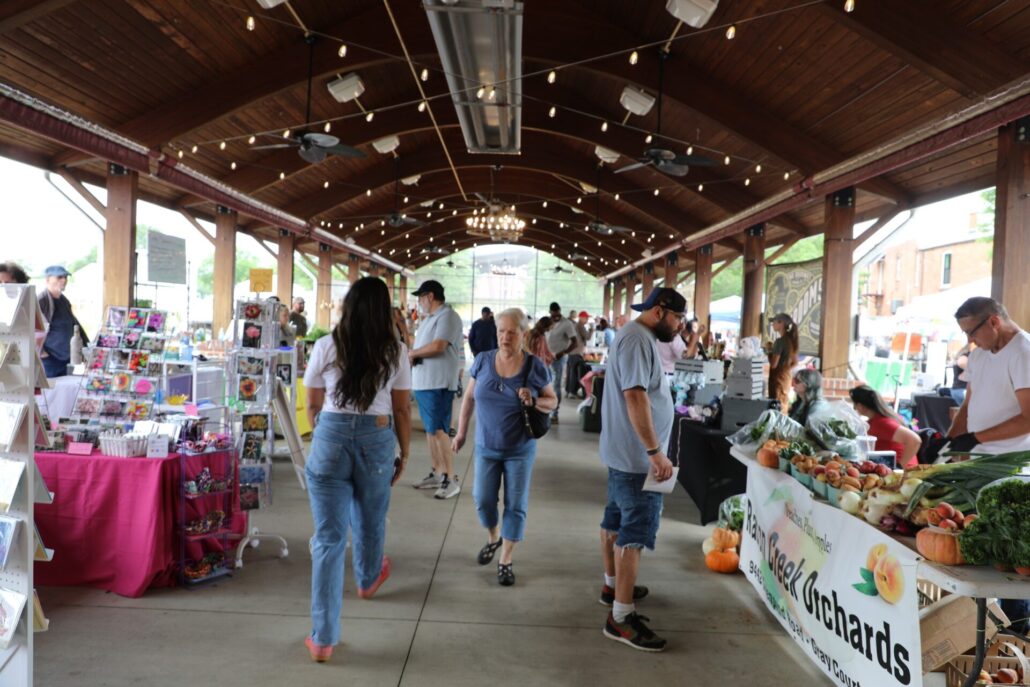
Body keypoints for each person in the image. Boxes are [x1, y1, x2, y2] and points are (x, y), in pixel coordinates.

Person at [301, 277, 412, 663]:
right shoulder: (396, 351)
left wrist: (328, 434)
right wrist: (405, 453)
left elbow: (313, 403)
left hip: (329, 434)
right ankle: (366, 581)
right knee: (371, 516)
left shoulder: (326, 346)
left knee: (329, 540)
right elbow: (401, 409)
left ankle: (323, 639)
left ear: (348, 307)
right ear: (384, 312)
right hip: (377, 438)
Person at [599, 287, 684, 652]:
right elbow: (634, 395)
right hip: (637, 461)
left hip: (625, 458)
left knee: (614, 522)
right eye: (678, 318)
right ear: (660, 311)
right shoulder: (636, 340)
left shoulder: (636, 336)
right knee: (633, 533)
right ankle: (620, 617)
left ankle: (612, 585)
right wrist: (654, 452)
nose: (680, 327)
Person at [452, 308, 557, 586]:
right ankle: (493, 536)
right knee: (483, 500)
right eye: (501, 331)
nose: (505, 337)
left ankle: (506, 559)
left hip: (520, 448)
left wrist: (534, 401)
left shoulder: (534, 366)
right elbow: (469, 399)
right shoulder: (484, 360)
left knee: (516, 504)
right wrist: (461, 433)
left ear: (523, 334)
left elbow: (552, 401)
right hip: (486, 446)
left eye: (512, 332)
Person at [946, 297, 1030, 635]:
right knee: (980, 551)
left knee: (1010, 554)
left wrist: (976, 437)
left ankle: (1017, 632)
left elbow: (1029, 418)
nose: (970, 341)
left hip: (1012, 470)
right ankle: (977, 630)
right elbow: (970, 403)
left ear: (993, 322)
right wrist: (950, 440)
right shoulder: (980, 355)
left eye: (972, 331)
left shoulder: (1023, 353)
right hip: (979, 465)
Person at [409, 280, 464, 499]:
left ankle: (451, 478)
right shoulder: (430, 319)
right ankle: (437, 471)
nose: (420, 302)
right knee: (431, 431)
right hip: (424, 383)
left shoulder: (448, 316)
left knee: (440, 430)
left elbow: (439, 346)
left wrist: (413, 354)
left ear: (430, 296)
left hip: (438, 383)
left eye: (421, 297)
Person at [849, 385, 922, 468]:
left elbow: (915, 440)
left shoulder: (882, 423)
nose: (855, 409)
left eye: (854, 405)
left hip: (904, 473)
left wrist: (899, 467)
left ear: (860, 406)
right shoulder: (876, 421)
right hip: (887, 467)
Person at [38, 265, 88, 378]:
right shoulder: (41, 300)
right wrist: (42, 353)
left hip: (67, 358)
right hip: (51, 360)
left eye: (65, 277)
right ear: (47, 280)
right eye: (59, 277)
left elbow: (74, 324)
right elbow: (31, 329)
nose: (64, 280)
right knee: (51, 394)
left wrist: (86, 347)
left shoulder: (64, 300)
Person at [544, 302, 578, 423]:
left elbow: (575, 342)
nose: (556, 317)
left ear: (560, 311)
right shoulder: (547, 322)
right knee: (544, 385)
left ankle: (555, 413)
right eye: (553, 315)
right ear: (550, 313)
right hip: (544, 358)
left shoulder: (567, 324)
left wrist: (563, 353)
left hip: (558, 358)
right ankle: (545, 411)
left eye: (557, 314)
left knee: (556, 385)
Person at [768, 313, 799, 410]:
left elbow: (773, 365)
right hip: (786, 378)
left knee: (776, 407)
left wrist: (769, 351)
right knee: (783, 405)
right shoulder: (790, 341)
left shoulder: (780, 342)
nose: (772, 324)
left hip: (777, 380)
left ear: (781, 324)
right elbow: (795, 362)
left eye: (774, 322)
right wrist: (785, 369)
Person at [565, 311, 592, 399]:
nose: (587, 320)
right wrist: (592, 330)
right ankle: (572, 392)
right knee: (575, 374)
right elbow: (587, 337)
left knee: (570, 372)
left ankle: (568, 391)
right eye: (586, 318)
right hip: (577, 352)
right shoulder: (580, 326)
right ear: (581, 318)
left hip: (572, 352)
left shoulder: (575, 325)